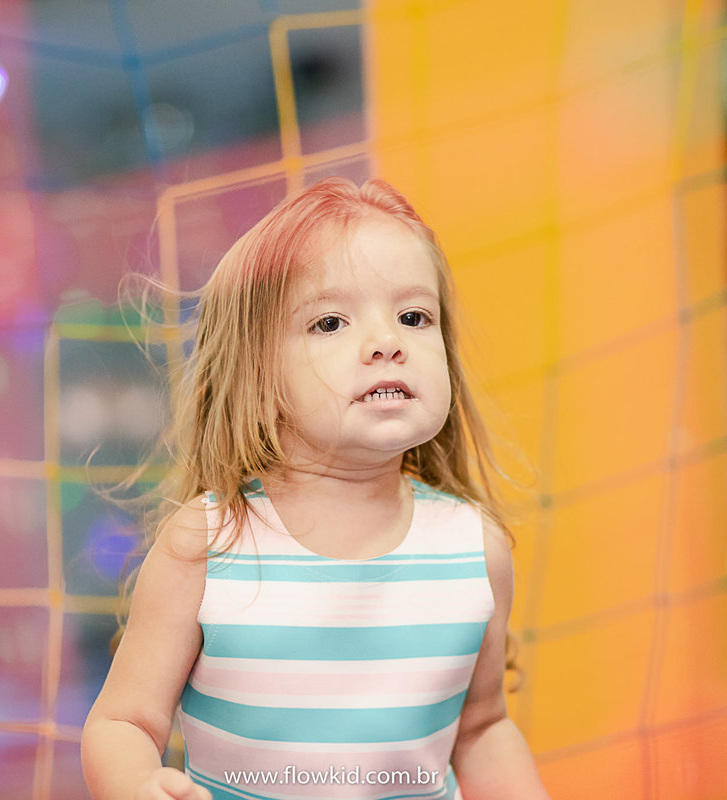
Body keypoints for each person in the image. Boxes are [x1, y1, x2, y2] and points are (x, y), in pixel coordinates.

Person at [81, 177, 552, 800]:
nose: (388, 343)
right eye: (330, 322)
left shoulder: (474, 548)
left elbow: (482, 729)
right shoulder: (206, 545)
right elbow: (124, 723)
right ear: (258, 377)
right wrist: (137, 783)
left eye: (414, 317)